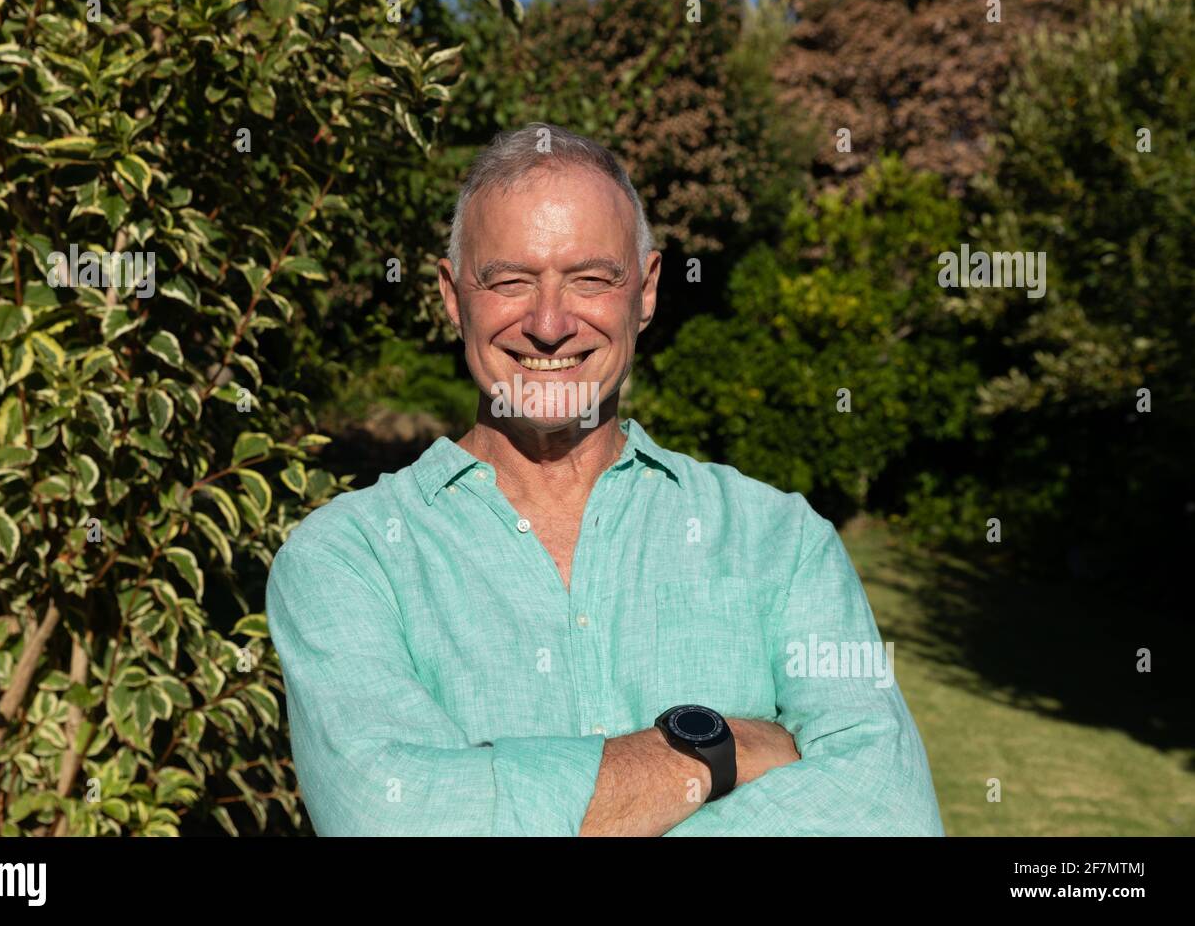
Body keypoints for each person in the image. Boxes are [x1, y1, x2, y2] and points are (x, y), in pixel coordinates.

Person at [266, 122, 945, 836]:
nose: (551, 323)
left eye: (591, 279)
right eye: (511, 280)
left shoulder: (781, 542)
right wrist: (721, 752)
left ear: (646, 291)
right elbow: (392, 815)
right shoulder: (346, 558)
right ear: (450, 295)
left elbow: (888, 814)